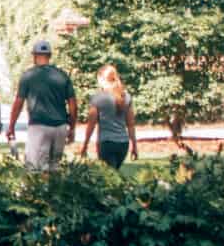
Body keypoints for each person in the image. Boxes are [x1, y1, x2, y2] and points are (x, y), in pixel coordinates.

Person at [7, 40, 77, 170]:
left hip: (38, 127)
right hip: (60, 128)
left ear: (34, 56)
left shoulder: (28, 76)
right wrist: (72, 128)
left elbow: (18, 103)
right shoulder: (62, 76)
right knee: (54, 167)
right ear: (49, 56)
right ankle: (54, 190)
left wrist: (11, 126)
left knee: (34, 168)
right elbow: (73, 104)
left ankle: (38, 191)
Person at [80, 62, 138, 168]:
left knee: (108, 178)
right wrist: (134, 146)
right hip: (123, 144)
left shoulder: (98, 98)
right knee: (114, 174)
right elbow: (131, 124)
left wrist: (85, 146)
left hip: (106, 143)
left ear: (102, 78)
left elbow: (91, 125)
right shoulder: (126, 97)